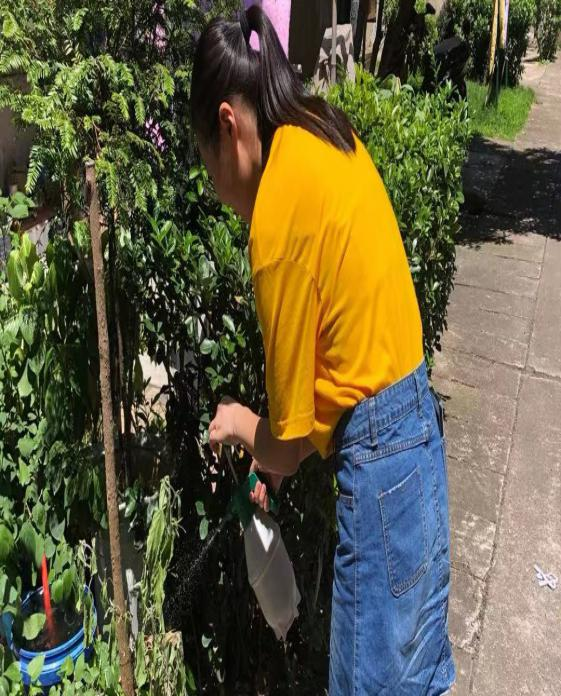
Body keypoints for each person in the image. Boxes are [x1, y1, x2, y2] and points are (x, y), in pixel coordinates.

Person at [190, 6, 454, 695]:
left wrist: (237, 425)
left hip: (381, 468)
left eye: (206, 161)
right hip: (418, 442)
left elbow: (286, 443)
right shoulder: (321, 132)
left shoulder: (274, 218)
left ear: (227, 125)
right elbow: (337, 370)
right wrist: (275, 462)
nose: (215, 186)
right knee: (417, 677)